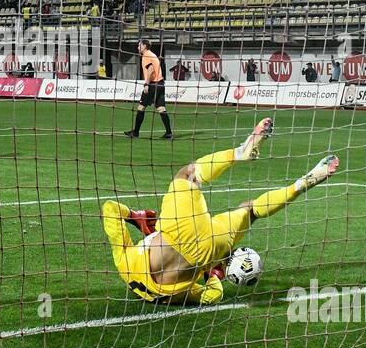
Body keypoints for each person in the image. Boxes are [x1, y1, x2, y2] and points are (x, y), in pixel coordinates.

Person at [102, 118, 340, 304]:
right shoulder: (125, 265)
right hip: (177, 230)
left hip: (207, 252)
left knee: (250, 210)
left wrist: (213, 273)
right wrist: (133, 215)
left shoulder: (171, 297)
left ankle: (303, 183)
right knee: (188, 174)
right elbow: (110, 209)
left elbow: (213, 295)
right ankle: (241, 152)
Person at [125, 38, 172, 139]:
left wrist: (146, 84)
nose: (138, 47)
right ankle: (169, 133)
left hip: (153, 85)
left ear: (144, 46)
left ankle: (136, 132)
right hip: (160, 84)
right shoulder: (153, 54)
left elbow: (150, 70)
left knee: (141, 107)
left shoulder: (146, 55)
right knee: (161, 108)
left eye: (139, 45)